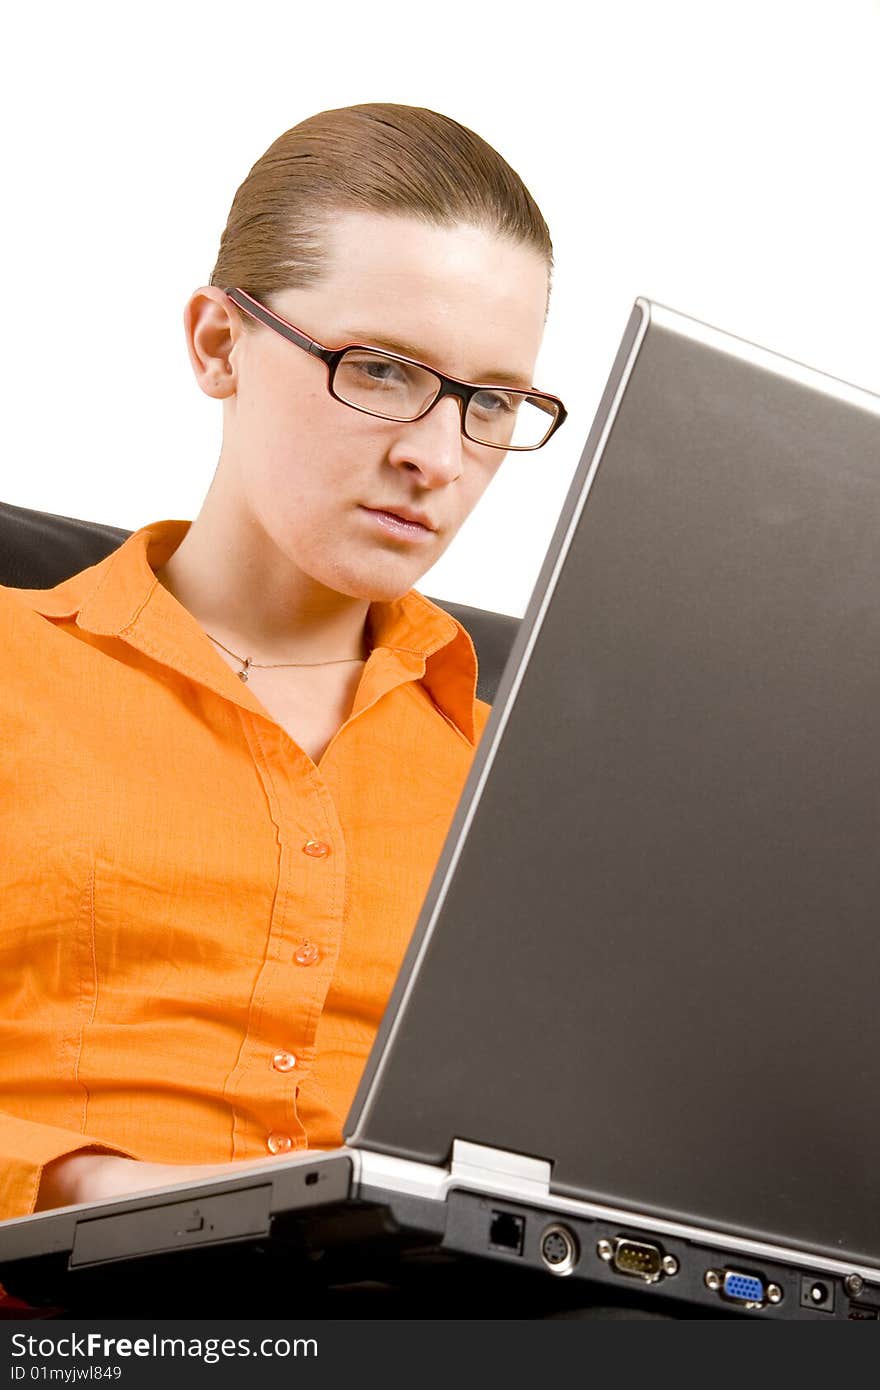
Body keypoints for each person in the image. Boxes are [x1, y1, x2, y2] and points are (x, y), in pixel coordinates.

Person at [0, 102, 565, 1226]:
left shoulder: (527, 775)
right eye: (385, 370)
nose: (436, 456)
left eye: (490, 401)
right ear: (219, 344)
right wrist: (97, 1187)